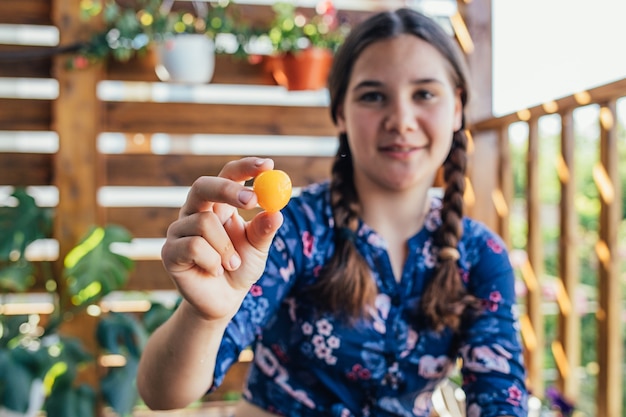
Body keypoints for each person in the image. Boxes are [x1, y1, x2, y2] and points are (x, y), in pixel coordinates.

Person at [137, 7, 529, 417]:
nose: (401, 120)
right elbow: (162, 394)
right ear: (340, 111)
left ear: (457, 109)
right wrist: (204, 317)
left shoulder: (481, 254)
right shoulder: (289, 233)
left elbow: (501, 398)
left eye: (425, 94)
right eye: (373, 96)